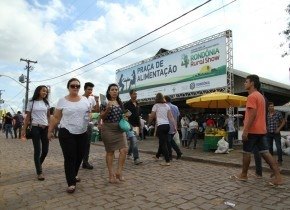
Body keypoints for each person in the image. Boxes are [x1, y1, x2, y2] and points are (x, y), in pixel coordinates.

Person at [232, 74, 283, 186]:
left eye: (246, 82)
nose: (244, 83)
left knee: (246, 153)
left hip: (252, 131)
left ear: (252, 83)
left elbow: (253, 114)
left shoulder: (252, 96)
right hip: (261, 131)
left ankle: (244, 175)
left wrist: (246, 131)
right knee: (266, 153)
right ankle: (278, 176)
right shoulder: (260, 96)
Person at [48, 78, 90, 193]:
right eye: (73, 86)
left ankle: (74, 174)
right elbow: (56, 117)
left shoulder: (85, 100)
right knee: (70, 157)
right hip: (66, 131)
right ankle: (71, 183)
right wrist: (50, 131)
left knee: (80, 156)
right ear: (68, 87)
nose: (75, 88)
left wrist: (90, 118)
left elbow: (88, 114)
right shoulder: (62, 100)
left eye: (77, 86)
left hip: (82, 132)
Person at [100, 83, 128, 183]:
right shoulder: (104, 102)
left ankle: (119, 172)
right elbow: (102, 117)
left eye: (116, 89)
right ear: (108, 91)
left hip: (119, 128)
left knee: (124, 150)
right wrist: (108, 108)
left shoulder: (120, 102)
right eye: (112, 89)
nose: (115, 91)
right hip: (108, 128)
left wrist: (125, 116)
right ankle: (111, 175)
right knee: (110, 152)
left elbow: (123, 114)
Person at [21, 85, 50, 181]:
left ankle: (38, 164)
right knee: (38, 151)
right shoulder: (31, 102)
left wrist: (50, 130)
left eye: (46, 91)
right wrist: (23, 130)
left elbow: (48, 117)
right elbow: (28, 117)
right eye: (43, 91)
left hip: (45, 128)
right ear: (38, 91)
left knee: (45, 151)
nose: (45, 93)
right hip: (35, 128)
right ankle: (39, 172)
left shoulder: (46, 103)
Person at [148, 93, 176, 166]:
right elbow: (171, 117)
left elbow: (152, 116)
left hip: (161, 126)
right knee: (162, 142)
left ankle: (167, 161)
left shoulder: (156, 106)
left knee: (163, 144)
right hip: (167, 126)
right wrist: (175, 126)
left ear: (156, 98)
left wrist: (148, 123)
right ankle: (157, 156)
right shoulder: (167, 106)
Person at [82, 82, 100, 169]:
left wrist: (97, 100)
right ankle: (77, 161)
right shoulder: (79, 98)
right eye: (88, 89)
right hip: (79, 124)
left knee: (87, 144)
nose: (90, 91)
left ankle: (85, 162)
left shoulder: (92, 99)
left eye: (91, 89)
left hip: (88, 124)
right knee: (79, 144)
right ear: (84, 89)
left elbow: (97, 110)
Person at [124, 89, 142, 165]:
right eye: (134, 94)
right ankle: (136, 158)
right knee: (134, 141)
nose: (135, 95)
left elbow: (138, 116)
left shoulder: (137, 104)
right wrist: (129, 124)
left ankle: (129, 154)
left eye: (136, 94)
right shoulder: (127, 104)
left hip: (136, 126)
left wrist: (140, 126)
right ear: (130, 95)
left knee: (133, 141)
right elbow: (125, 116)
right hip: (129, 125)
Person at [164, 95, 182, 160]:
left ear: (165, 100)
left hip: (167, 126)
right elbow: (177, 117)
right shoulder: (176, 107)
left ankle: (170, 155)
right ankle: (178, 153)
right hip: (174, 126)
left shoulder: (165, 107)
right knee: (171, 141)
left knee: (168, 141)